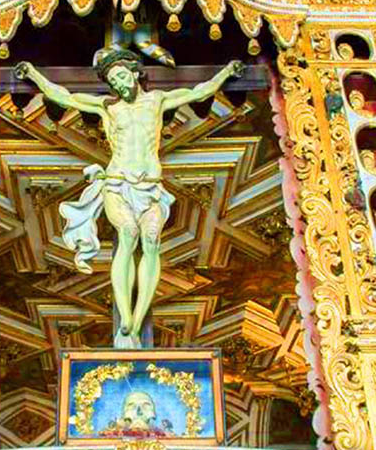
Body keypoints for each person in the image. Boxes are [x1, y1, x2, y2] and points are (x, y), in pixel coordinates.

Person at [15, 49, 243, 348]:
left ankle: (138, 318)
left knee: (150, 240)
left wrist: (227, 72)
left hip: (150, 186)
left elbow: (199, 91)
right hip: (118, 183)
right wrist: (32, 73)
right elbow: (64, 97)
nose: (119, 84)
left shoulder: (157, 100)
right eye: (113, 81)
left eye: (122, 76)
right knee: (127, 234)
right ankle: (125, 315)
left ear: (135, 73)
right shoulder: (108, 107)